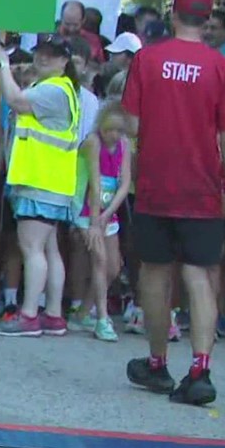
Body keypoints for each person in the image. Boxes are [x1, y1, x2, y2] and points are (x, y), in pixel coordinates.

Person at [121, 0, 225, 406]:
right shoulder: (222, 68)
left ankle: (157, 364)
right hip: (204, 188)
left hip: (157, 185)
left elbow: (132, 127)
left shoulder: (147, 59)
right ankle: (200, 368)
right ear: (210, 18)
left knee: (155, 274)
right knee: (198, 275)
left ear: (174, 13)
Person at [0, 37, 81, 338]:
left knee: (32, 248)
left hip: (40, 181)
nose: (42, 58)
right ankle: (53, 314)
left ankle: (29, 314)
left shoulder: (54, 90)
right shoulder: (57, 89)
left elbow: (16, 101)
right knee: (49, 248)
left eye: (51, 55)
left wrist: (2, 64)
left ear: (64, 61)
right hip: (51, 181)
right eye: (40, 53)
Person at [68, 102, 131, 342]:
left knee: (113, 267)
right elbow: (94, 182)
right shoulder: (93, 142)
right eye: (109, 130)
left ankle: (83, 312)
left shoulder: (124, 146)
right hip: (86, 209)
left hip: (108, 211)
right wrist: (95, 221)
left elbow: (124, 183)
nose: (113, 135)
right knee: (99, 260)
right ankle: (103, 319)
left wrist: (108, 214)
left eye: (118, 130)